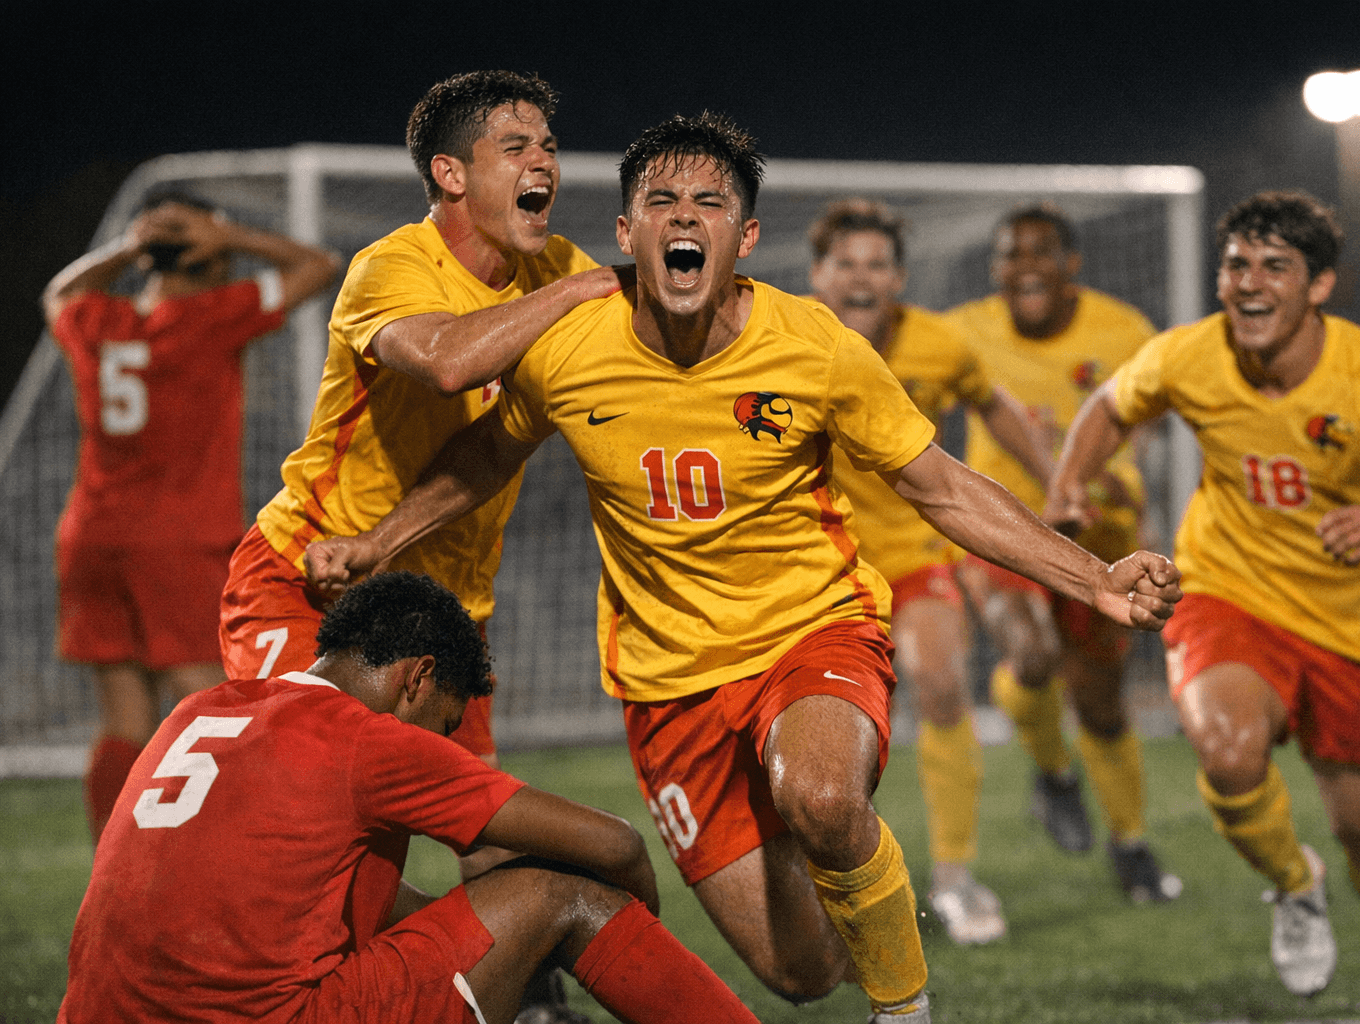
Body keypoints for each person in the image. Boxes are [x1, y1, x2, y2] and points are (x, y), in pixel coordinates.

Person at [307, 112, 1183, 1022]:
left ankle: (907, 1005)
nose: (685, 218)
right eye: (661, 201)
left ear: (746, 236)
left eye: (710, 203)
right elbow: (488, 455)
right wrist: (377, 544)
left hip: (811, 631)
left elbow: (944, 488)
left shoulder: (816, 345)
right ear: (626, 232)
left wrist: (1093, 578)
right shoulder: (569, 345)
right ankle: (871, 905)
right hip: (668, 683)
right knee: (800, 972)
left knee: (820, 792)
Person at [1045, 191, 1360, 1023]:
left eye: (1273, 267)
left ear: (1318, 286)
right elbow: (1110, 406)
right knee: (1227, 747)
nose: (1247, 284)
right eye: (1236, 265)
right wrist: (1070, 483)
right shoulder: (1188, 355)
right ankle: (1293, 885)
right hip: (1228, 591)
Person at [57, 570, 760, 1024]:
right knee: (567, 894)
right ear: (417, 678)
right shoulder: (366, 740)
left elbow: (338, 897)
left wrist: (520, 958)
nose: (445, 742)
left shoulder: (202, 709)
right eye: (447, 725)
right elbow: (616, 845)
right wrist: (628, 931)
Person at [217, 69, 626, 770]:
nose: (544, 164)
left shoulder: (557, 266)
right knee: (300, 799)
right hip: (314, 579)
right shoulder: (393, 265)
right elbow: (446, 361)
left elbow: (498, 444)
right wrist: (594, 286)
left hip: (446, 615)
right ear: (452, 174)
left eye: (550, 147)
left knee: (479, 833)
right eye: (516, 147)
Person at [41, 190, 339, 843]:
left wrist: (129, 246)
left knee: (123, 717)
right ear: (206, 255)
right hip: (178, 539)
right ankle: (214, 864)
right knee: (209, 702)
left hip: (91, 537)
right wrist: (230, 237)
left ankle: (114, 871)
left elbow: (57, 293)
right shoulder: (210, 315)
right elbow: (317, 265)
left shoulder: (99, 319)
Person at [806, 198, 1056, 945]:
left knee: (945, 683)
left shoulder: (939, 345)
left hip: (914, 555)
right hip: (808, 568)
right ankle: (815, 880)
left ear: (899, 278)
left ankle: (954, 878)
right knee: (820, 737)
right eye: (845, 262)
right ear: (817, 273)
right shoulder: (779, 340)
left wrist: (1055, 479)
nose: (861, 276)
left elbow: (996, 404)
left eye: (876, 263)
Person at [944, 205, 1182, 902]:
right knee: (1030, 652)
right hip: (1004, 529)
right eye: (1010, 253)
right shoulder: (962, 331)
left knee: (1102, 703)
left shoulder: (1124, 330)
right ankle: (1054, 773)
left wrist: (1108, 477)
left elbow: (1142, 429)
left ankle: (1131, 844)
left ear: (1071, 262)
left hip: (1103, 533)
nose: (1025, 265)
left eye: (1042, 251)